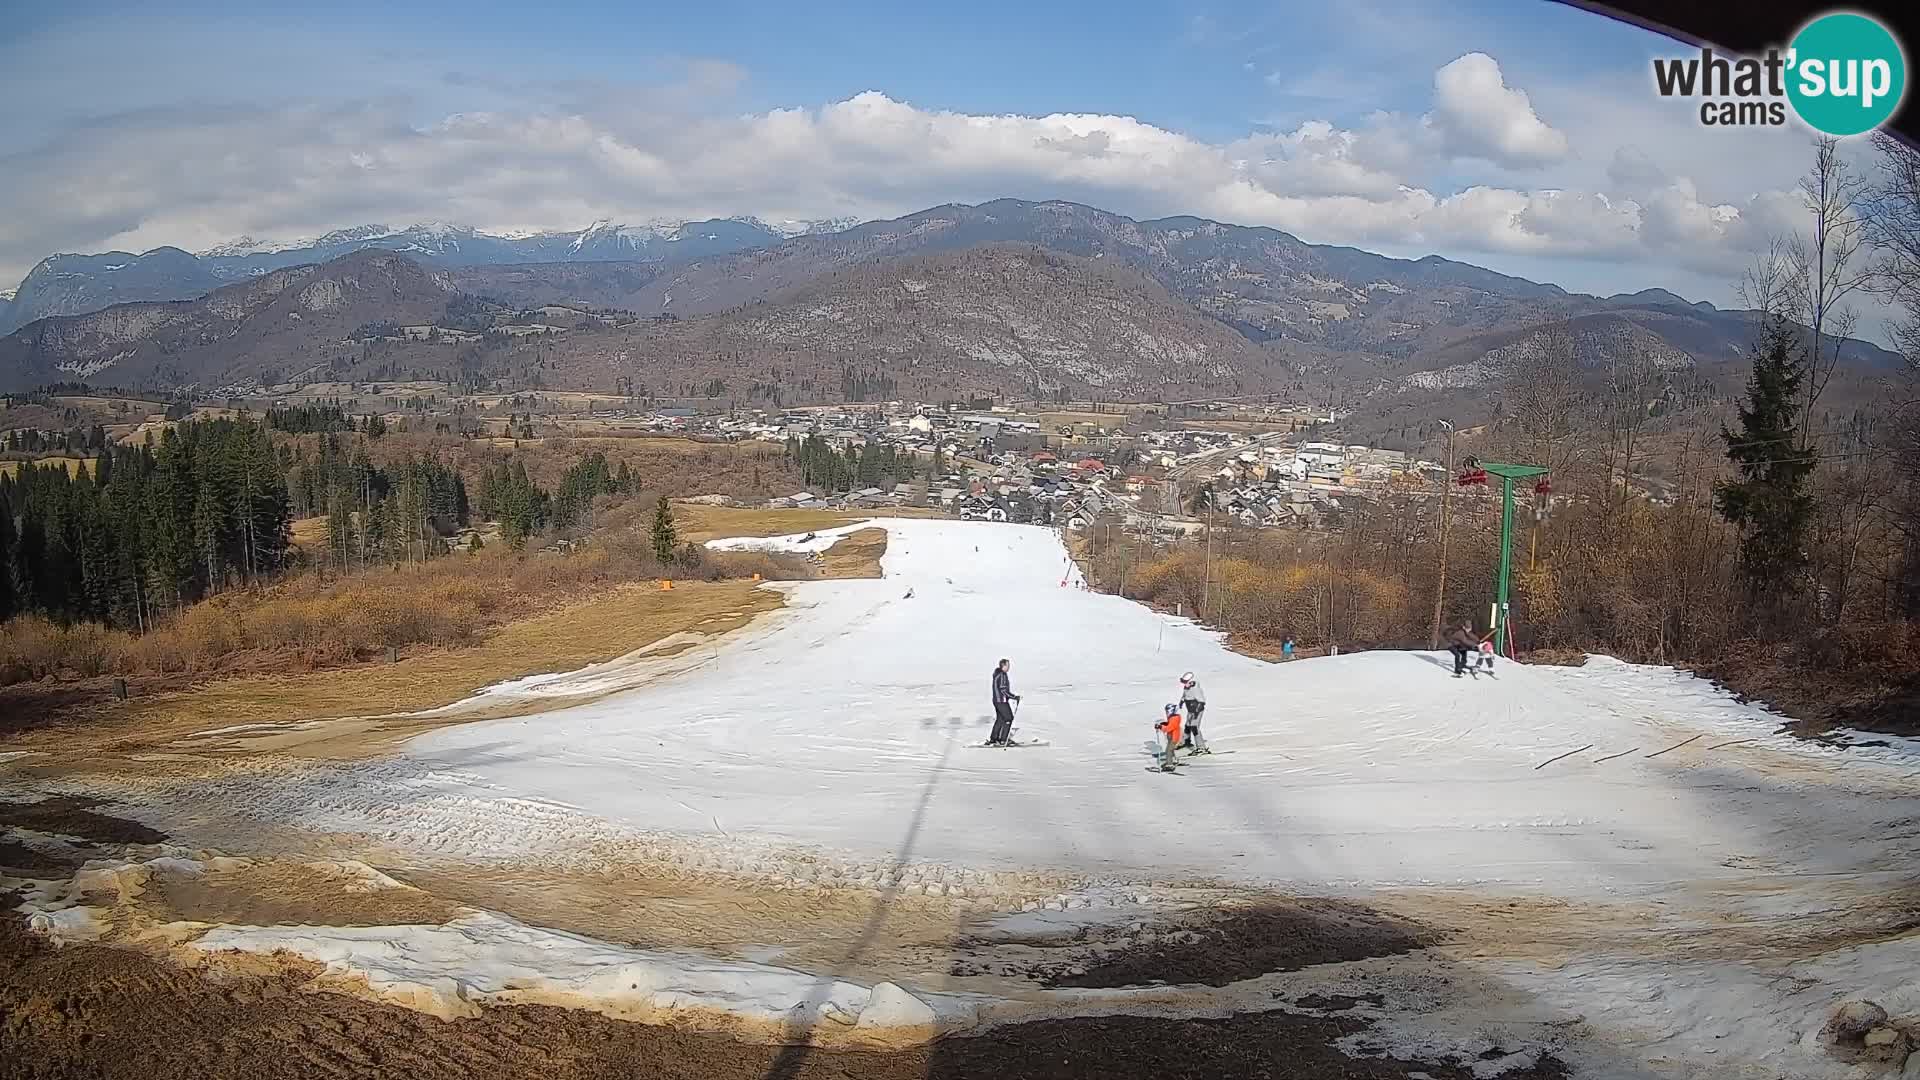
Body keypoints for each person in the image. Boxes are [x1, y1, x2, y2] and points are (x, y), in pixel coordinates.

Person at [988, 658, 1021, 745]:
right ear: (1003, 666)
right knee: (1009, 718)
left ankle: (994, 739)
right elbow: (1003, 689)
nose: (1009, 667)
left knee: (1000, 719)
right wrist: (1014, 697)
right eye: (1008, 665)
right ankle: (1004, 739)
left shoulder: (997, 674)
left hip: (996, 700)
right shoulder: (1002, 675)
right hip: (1001, 701)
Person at [1177, 672, 1210, 754]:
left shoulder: (1195, 689)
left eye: (1185, 682)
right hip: (1190, 710)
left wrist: (1197, 710)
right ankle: (1186, 741)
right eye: (1183, 682)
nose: (1184, 684)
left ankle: (1201, 747)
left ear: (1191, 681)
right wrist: (1182, 700)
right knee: (1188, 725)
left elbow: (1202, 701)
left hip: (1197, 711)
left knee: (1194, 727)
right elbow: (1185, 695)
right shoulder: (1186, 687)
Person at [1154, 703, 1184, 772]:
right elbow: (1169, 725)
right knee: (1171, 750)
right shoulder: (1172, 718)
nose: (1166, 713)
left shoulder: (1174, 719)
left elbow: (1169, 728)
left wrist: (1161, 727)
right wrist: (1164, 724)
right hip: (1172, 737)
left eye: (1167, 711)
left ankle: (1169, 764)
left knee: (1168, 751)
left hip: (1174, 738)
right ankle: (1172, 760)